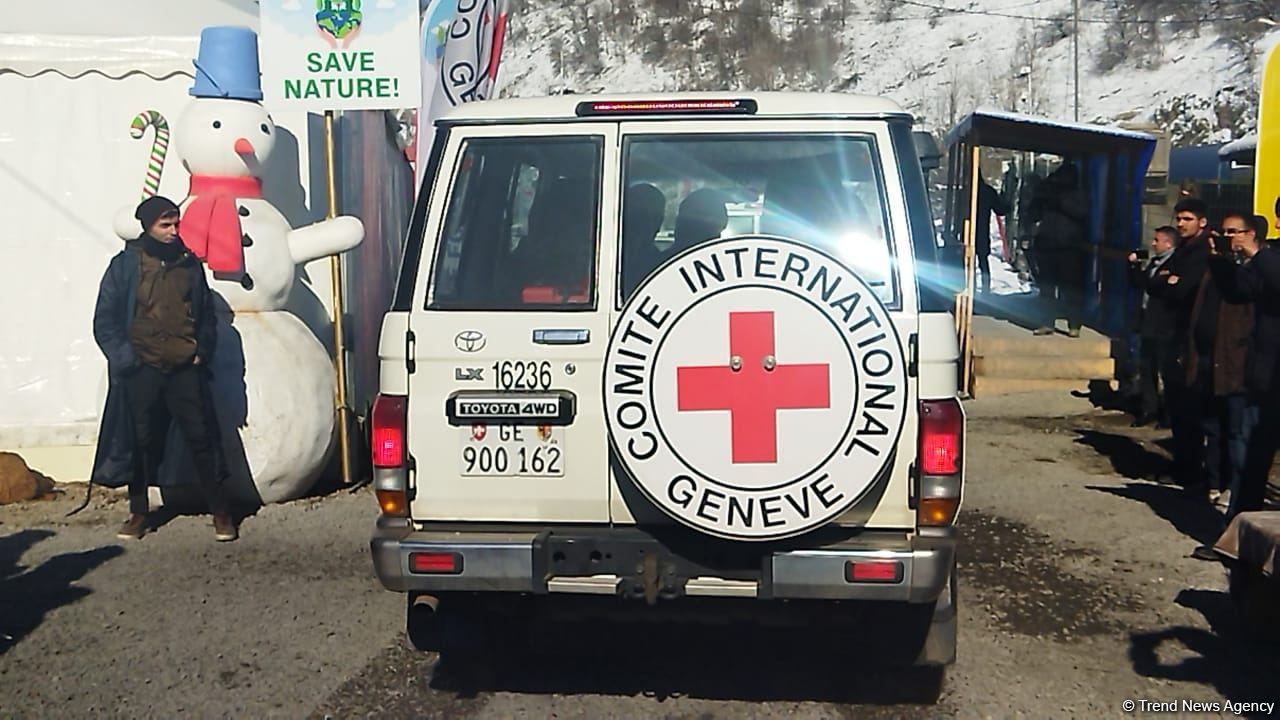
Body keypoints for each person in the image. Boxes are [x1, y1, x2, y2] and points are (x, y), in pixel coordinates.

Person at [91, 196, 237, 542]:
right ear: (148, 226)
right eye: (165, 225)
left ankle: (221, 511)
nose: (173, 231)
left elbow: (205, 315)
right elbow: (105, 319)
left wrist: (203, 350)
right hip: (142, 366)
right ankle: (139, 512)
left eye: (176, 224)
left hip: (184, 364)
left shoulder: (188, 263)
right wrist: (125, 359)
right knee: (142, 439)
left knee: (202, 437)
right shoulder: (125, 266)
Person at [1214, 211, 1280, 525]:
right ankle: (1238, 532)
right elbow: (1242, 291)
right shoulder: (1273, 255)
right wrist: (1221, 262)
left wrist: (1255, 252)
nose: (1277, 225)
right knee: (1252, 460)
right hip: (1267, 376)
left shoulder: (1269, 258)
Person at [1151, 198, 1214, 492]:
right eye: (1178, 219)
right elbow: (1155, 283)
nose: (1180, 224)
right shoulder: (1183, 251)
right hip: (1172, 333)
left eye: (1187, 218)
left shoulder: (1202, 254)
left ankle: (1191, 469)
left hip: (1188, 338)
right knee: (1178, 404)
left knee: (1188, 406)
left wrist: (1171, 282)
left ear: (1201, 222)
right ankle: (1184, 464)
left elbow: (1182, 289)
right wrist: (1167, 281)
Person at [1127, 226, 1178, 427]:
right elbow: (1142, 284)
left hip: (1165, 325)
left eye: (1157, 240)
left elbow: (1161, 288)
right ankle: (1149, 408)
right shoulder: (1154, 263)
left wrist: (1163, 281)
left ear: (1168, 243)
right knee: (1147, 368)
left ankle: (1169, 414)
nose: (1153, 244)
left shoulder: (1176, 263)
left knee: (1166, 371)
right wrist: (1133, 266)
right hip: (1147, 323)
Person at [1031, 163, 1089, 337]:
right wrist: (1040, 196)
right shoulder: (1048, 194)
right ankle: (1047, 322)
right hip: (1047, 245)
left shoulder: (1078, 195)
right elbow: (1033, 214)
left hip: (1069, 247)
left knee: (1071, 289)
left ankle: (1074, 325)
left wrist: (1060, 201)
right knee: (1047, 289)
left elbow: (1081, 212)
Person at [975, 175, 1010, 294]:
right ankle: (985, 290)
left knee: (965, 262)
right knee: (983, 262)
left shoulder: (964, 190)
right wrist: (1007, 200)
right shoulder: (987, 191)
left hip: (965, 232)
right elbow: (1001, 210)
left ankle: (969, 287)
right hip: (982, 232)